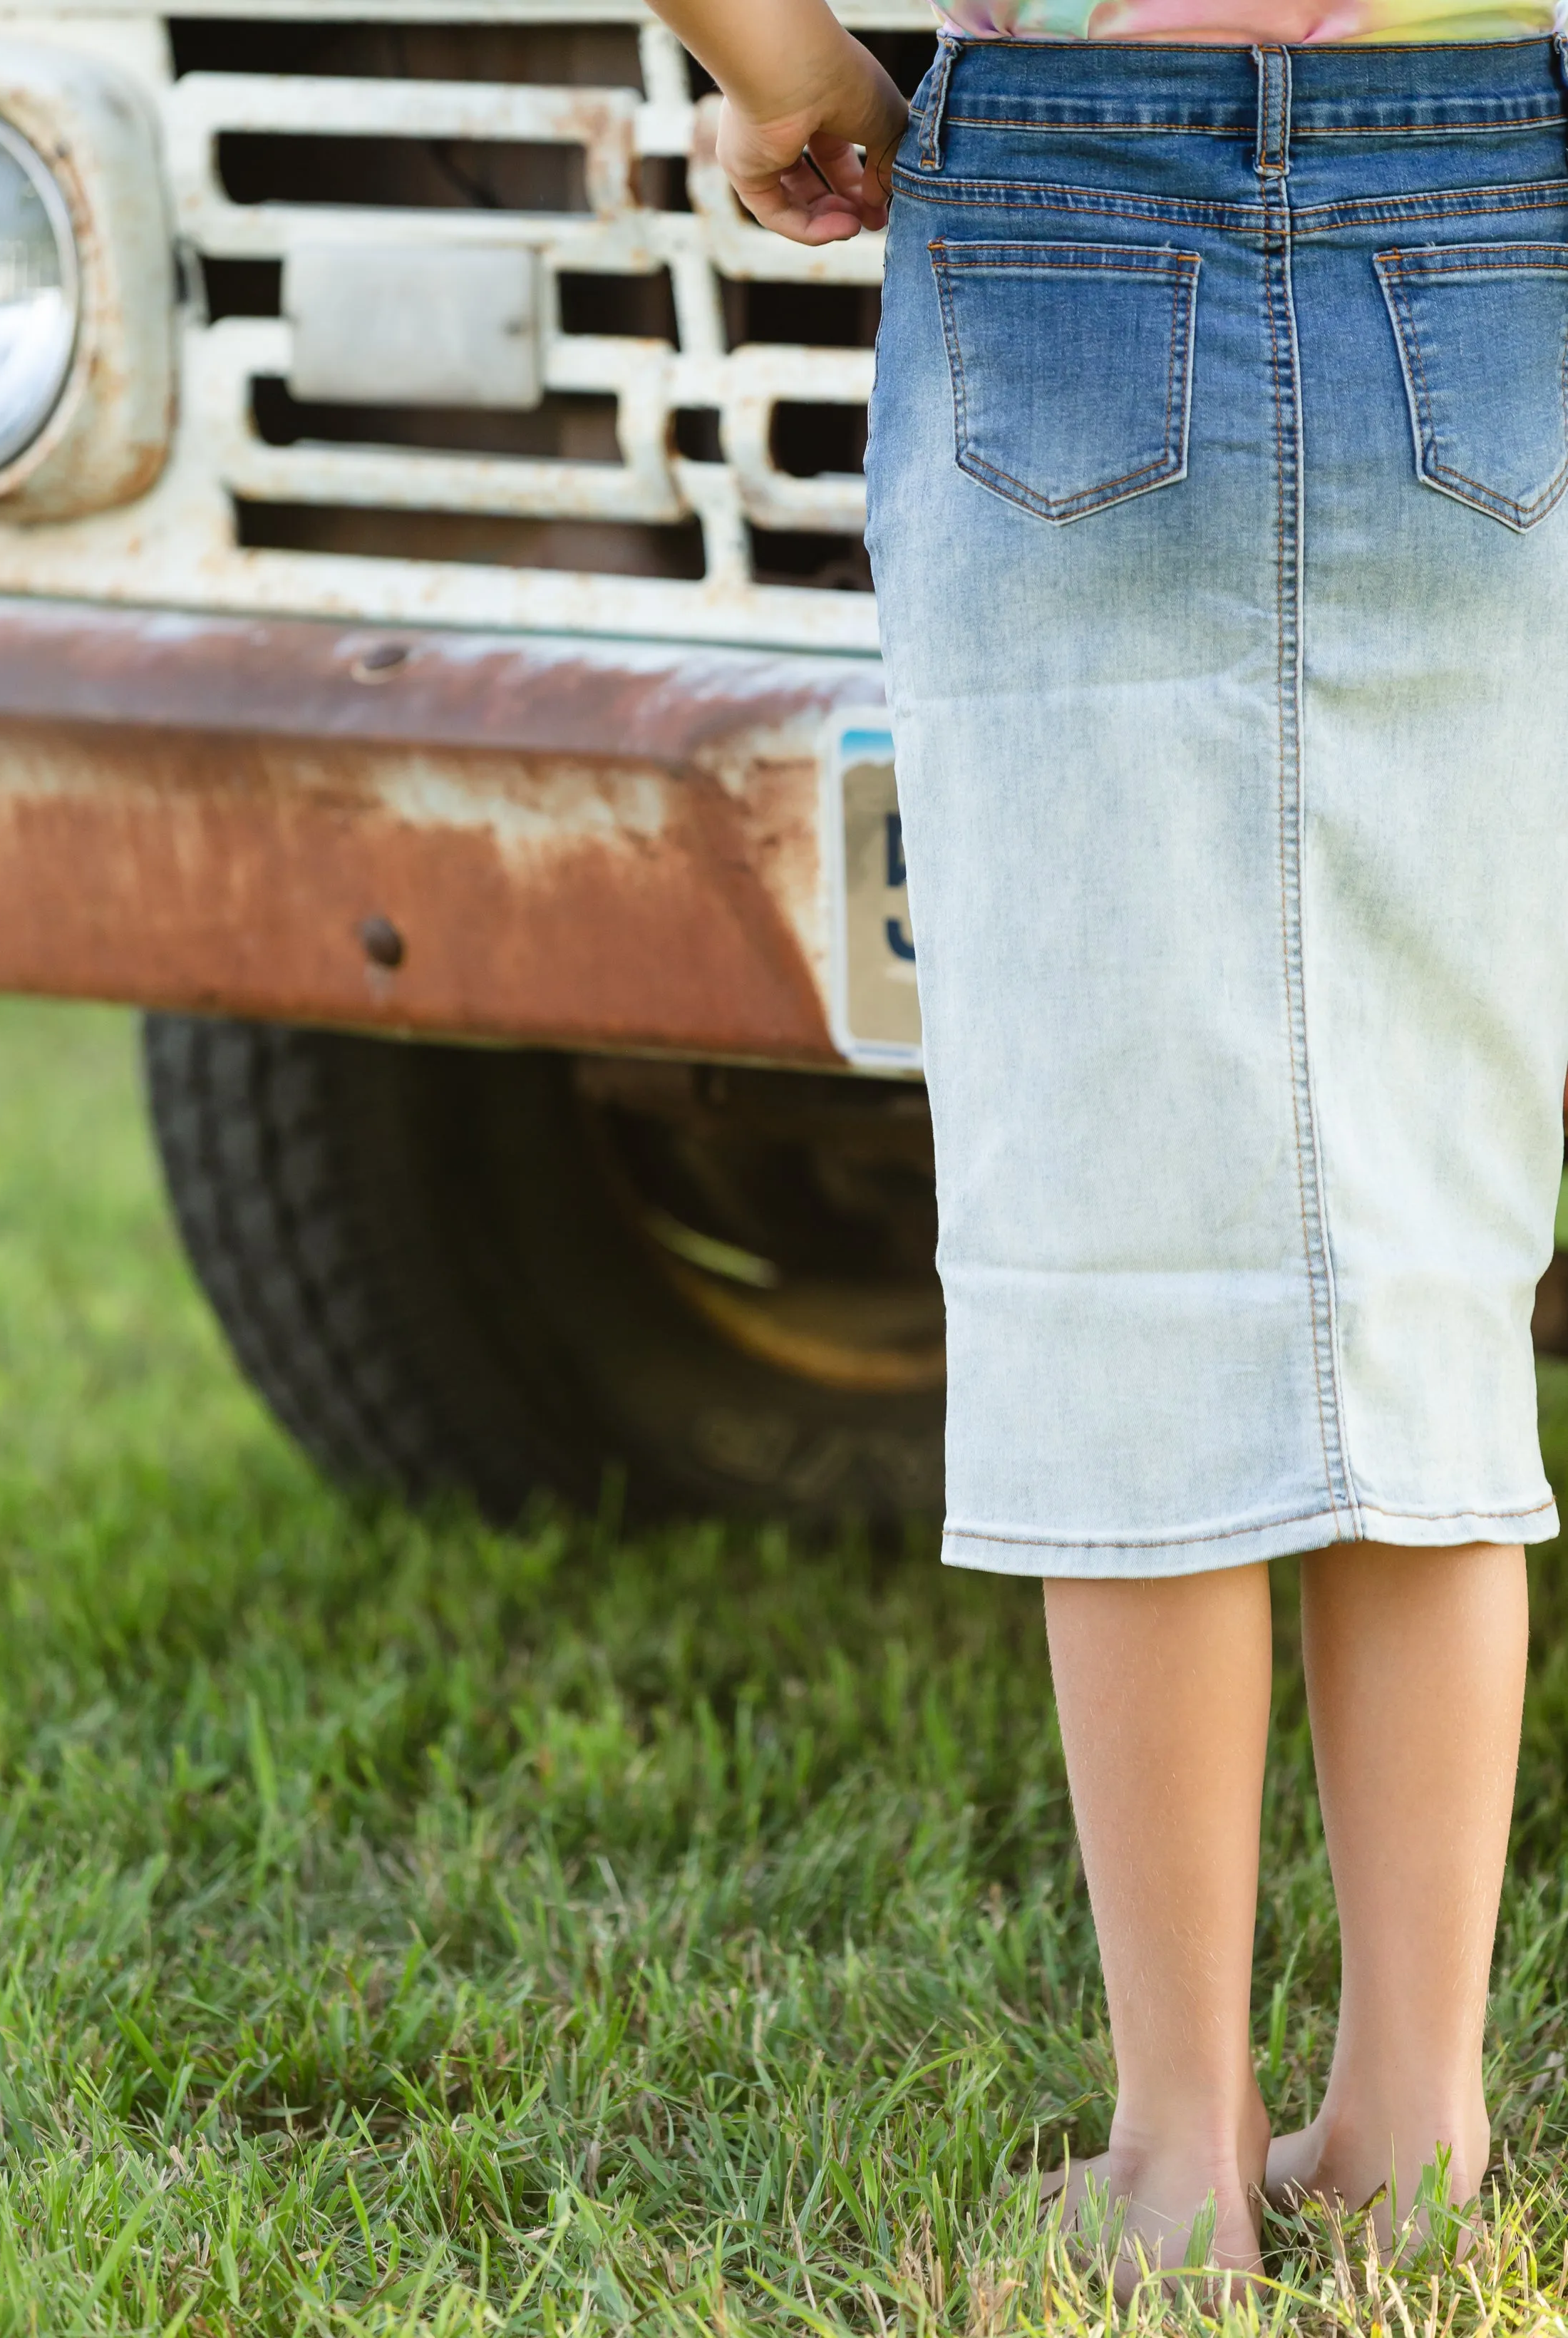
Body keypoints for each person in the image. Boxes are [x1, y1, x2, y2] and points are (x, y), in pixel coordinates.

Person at [642, 0, 1559, 2300]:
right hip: (1494, 199)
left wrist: (778, 66)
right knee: (1424, 1246)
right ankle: (1412, 2132)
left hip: (1059, 198)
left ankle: (1178, 2160)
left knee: (1114, 1237)